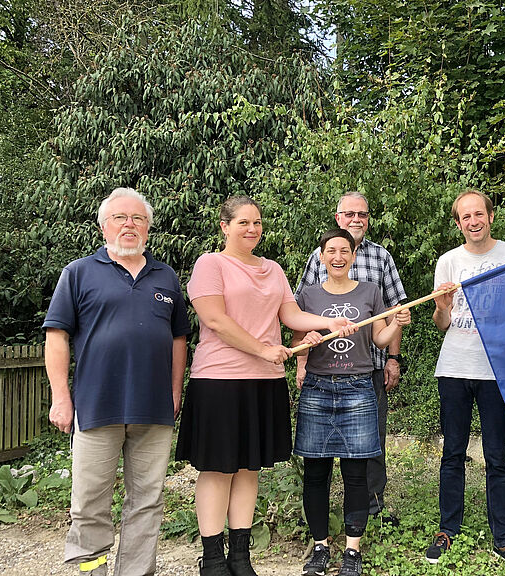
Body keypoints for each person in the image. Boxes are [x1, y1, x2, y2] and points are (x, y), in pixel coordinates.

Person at [175, 196, 353, 576]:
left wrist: (327, 323)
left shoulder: (272, 268)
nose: (252, 229)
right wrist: (263, 350)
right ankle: (212, 560)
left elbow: (289, 314)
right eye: (243, 222)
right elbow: (216, 321)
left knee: (248, 469)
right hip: (220, 380)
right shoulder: (211, 264)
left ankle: (240, 557)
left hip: (264, 381)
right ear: (224, 226)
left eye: (257, 222)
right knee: (217, 469)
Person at [44, 187, 191, 576]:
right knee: (90, 502)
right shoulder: (77, 273)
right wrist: (61, 397)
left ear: (148, 227)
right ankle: (90, 571)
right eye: (120, 218)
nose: (129, 225)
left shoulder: (167, 277)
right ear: (103, 227)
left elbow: (179, 340)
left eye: (138, 218)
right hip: (96, 405)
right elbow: (56, 336)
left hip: (153, 409)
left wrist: (175, 392)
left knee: (147, 501)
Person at [427, 189, 505, 571]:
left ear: (490, 217)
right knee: (452, 454)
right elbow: (442, 324)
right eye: (465, 217)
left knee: (497, 456)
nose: (473, 222)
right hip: (456, 368)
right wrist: (442, 308)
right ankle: (448, 530)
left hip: (499, 371)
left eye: (479, 214)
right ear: (458, 223)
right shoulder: (448, 261)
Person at [292, 228, 411, 576]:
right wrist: (310, 338)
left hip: (359, 387)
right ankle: (319, 547)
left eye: (344, 250)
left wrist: (395, 323)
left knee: (356, 472)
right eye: (331, 251)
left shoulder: (370, 292)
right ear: (322, 257)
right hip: (317, 387)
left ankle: (352, 550)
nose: (338, 257)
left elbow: (379, 338)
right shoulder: (309, 295)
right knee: (316, 472)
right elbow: (298, 337)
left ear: (353, 256)